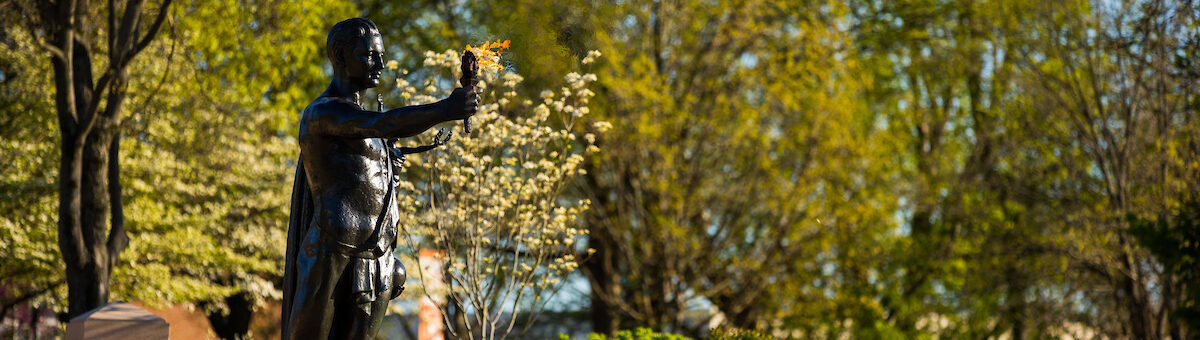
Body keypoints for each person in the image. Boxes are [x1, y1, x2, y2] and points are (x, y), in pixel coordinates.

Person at [281, 17, 477, 340]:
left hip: (377, 255)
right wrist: (446, 108)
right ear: (341, 56)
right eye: (370, 55)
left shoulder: (365, 124)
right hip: (333, 253)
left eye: (381, 55)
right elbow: (385, 124)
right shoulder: (323, 112)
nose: (380, 64)